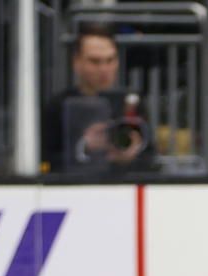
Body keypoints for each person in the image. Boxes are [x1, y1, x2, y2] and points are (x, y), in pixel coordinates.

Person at [40, 29, 154, 175]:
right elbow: (46, 162)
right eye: (95, 61)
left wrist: (132, 154)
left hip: (124, 187)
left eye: (110, 60)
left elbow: (150, 158)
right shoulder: (60, 106)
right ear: (76, 62)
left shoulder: (132, 102)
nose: (104, 69)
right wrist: (83, 147)